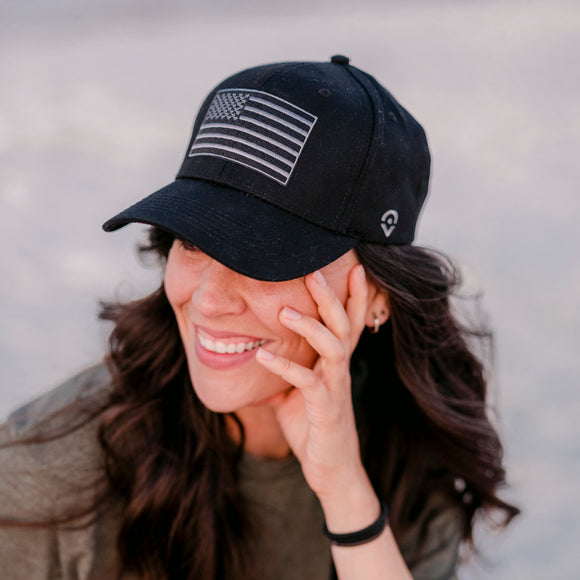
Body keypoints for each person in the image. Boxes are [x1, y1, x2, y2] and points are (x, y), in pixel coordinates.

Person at [0, 55, 518, 580]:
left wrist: (345, 493)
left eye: (266, 255)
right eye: (193, 240)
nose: (207, 300)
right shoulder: (45, 473)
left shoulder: (410, 454)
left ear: (378, 294)